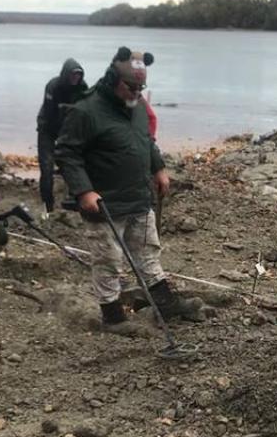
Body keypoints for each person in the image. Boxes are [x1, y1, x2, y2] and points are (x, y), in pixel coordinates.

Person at [56, 46, 202, 332]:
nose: (136, 92)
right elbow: (66, 153)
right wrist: (84, 191)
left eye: (141, 87)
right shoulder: (86, 110)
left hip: (138, 196)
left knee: (148, 251)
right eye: (131, 86)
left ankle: (165, 305)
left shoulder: (136, 109)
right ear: (113, 79)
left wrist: (158, 168)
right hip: (104, 202)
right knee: (108, 259)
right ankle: (112, 316)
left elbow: (146, 140)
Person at [36, 58, 87, 217]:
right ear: (66, 74)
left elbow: (84, 110)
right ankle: (47, 204)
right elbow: (50, 114)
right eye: (73, 75)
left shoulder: (82, 87)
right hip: (47, 128)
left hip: (68, 129)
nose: (75, 79)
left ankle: (73, 198)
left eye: (78, 75)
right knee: (47, 167)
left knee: (74, 163)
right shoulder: (53, 86)